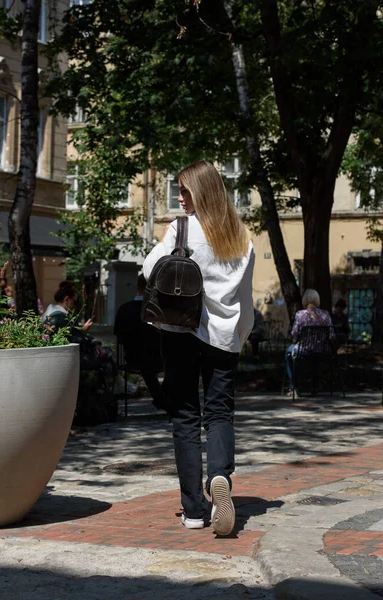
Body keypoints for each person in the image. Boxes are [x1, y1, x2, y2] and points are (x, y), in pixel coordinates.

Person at [143, 160, 255, 536]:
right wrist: (239, 336)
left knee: (186, 418)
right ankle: (219, 476)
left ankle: (193, 510)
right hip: (224, 339)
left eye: (185, 190)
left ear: (201, 192)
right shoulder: (241, 237)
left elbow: (148, 271)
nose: (180, 197)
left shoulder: (180, 229)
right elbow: (246, 300)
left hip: (179, 332)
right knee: (220, 414)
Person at [114, 274, 166, 411]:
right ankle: (164, 400)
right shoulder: (158, 310)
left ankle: (162, 400)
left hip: (131, 358)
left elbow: (118, 335)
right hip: (158, 359)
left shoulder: (124, 309)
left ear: (137, 287)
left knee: (146, 365)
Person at [286, 289, 334, 396]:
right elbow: (331, 335)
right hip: (322, 350)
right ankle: (315, 387)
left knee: (289, 354)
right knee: (315, 361)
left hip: (304, 350)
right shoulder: (326, 314)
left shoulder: (300, 314)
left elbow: (294, 334)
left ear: (305, 300)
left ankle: (293, 387)